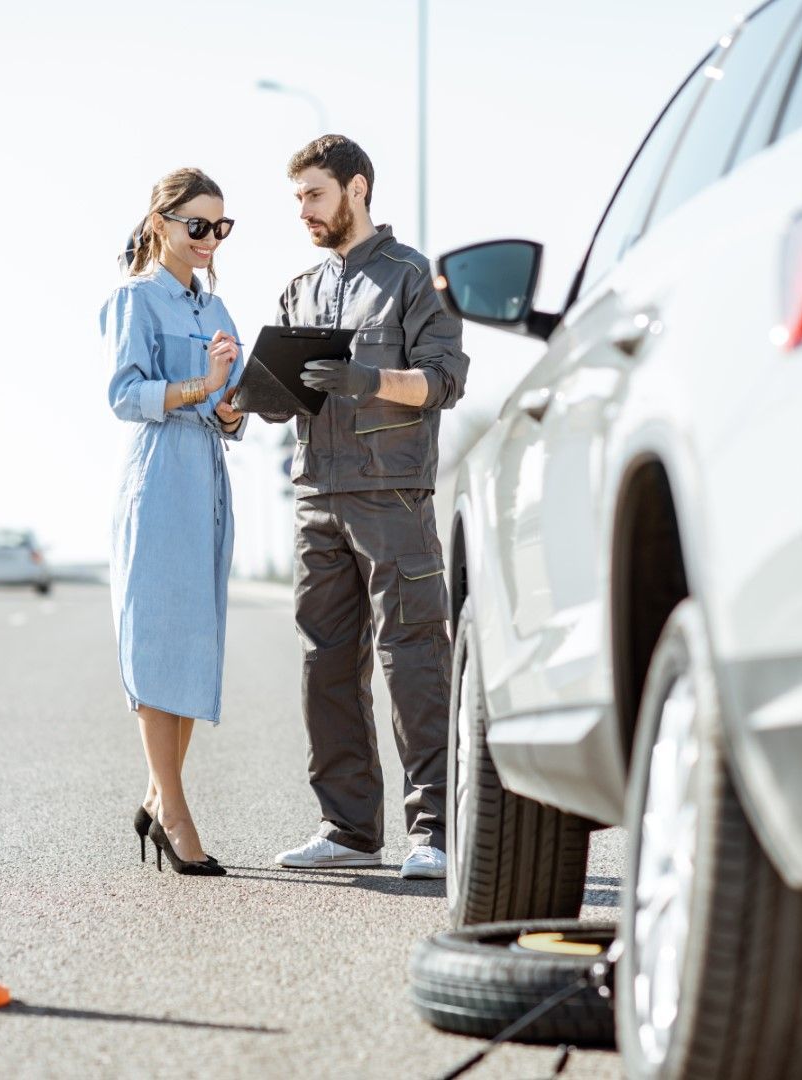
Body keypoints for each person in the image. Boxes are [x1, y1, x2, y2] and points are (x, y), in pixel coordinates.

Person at [266, 135, 469, 880]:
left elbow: (443, 381)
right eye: (297, 200)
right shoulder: (300, 288)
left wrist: (368, 379)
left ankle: (440, 831)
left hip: (392, 496)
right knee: (325, 665)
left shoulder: (415, 278)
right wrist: (261, 395)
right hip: (316, 494)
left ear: (357, 189)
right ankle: (349, 829)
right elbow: (287, 393)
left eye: (314, 195)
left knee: (413, 657)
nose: (304, 212)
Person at [105, 167, 245, 877]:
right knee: (159, 642)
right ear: (161, 223)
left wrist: (229, 406)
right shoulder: (134, 299)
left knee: (191, 645)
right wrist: (203, 387)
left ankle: (158, 798)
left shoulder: (216, 310)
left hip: (208, 481)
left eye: (220, 228)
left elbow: (234, 408)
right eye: (197, 226)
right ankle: (176, 812)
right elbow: (125, 394)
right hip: (159, 479)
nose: (209, 241)